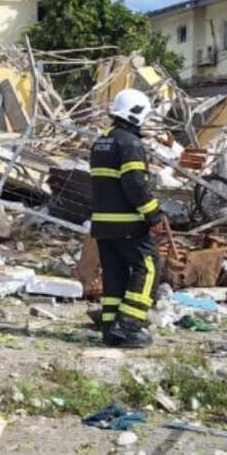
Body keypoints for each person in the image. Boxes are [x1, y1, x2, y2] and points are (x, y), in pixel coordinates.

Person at [90, 89, 164, 349]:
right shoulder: (130, 144)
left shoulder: (101, 142)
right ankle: (130, 327)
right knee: (149, 267)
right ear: (136, 113)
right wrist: (154, 214)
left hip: (103, 225)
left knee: (115, 275)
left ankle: (111, 331)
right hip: (128, 225)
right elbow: (134, 183)